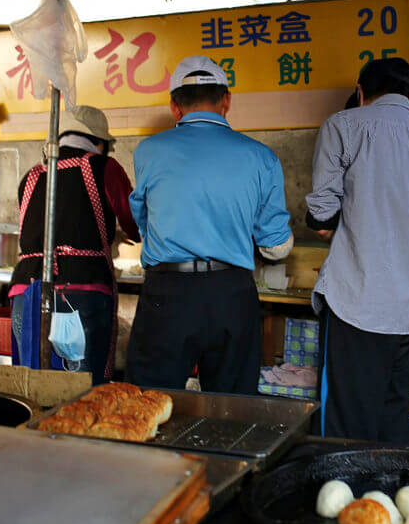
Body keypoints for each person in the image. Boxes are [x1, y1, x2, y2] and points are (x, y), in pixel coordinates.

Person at [305, 58, 409, 444]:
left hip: (354, 304)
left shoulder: (342, 126)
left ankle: (345, 500)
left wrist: (359, 225)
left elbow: (321, 217)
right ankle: (391, 496)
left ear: (361, 94)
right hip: (407, 312)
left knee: (343, 425)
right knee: (391, 417)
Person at [126, 55, 294, 394]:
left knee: (147, 400)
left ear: (174, 107)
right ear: (227, 100)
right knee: (231, 410)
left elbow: (143, 221)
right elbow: (276, 245)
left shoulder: (149, 151)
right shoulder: (261, 157)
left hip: (168, 293)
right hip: (231, 295)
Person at [9, 105, 140, 384]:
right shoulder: (105, 167)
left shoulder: (31, 176)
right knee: (81, 392)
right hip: (81, 294)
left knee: (33, 384)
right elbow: (135, 223)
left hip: (26, 294)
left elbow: (45, 229)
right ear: (101, 143)